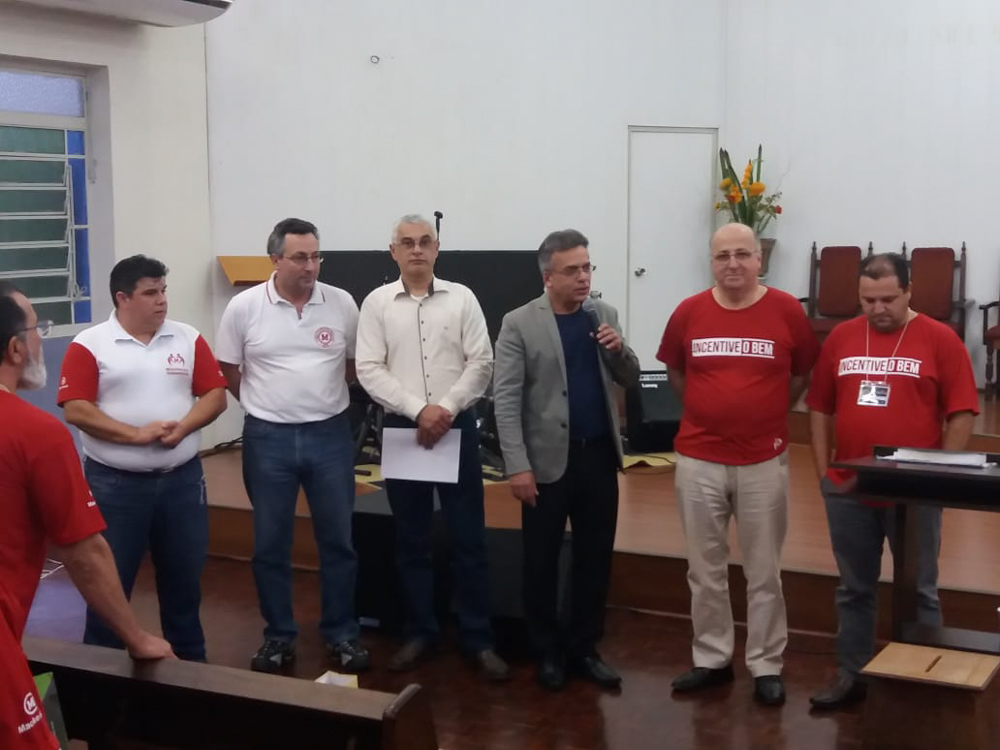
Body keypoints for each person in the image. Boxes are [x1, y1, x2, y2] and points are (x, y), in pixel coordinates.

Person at [0, 282, 174, 750]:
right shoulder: (36, 433)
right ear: (16, 348)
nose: (40, 341)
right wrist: (136, 638)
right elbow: (85, 553)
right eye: (37, 330)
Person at [657, 222, 819, 706]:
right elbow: (676, 372)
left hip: (763, 461)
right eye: (723, 255)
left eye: (742, 254)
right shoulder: (689, 311)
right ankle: (712, 658)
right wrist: (709, 412)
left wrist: (764, 415)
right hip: (698, 460)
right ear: (711, 261)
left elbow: (801, 374)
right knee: (704, 569)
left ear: (759, 260)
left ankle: (766, 664)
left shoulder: (787, 311)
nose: (733, 264)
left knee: (764, 571)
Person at [807, 253, 978, 710]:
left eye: (888, 299)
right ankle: (853, 675)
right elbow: (819, 406)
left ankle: (924, 683)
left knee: (919, 590)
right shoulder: (842, 337)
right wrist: (825, 473)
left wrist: (939, 475)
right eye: (868, 300)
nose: (878, 309)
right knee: (854, 588)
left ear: (909, 292)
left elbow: (962, 411)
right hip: (850, 488)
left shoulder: (940, 338)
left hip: (915, 491)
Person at [355, 213, 508, 682]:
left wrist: (444, 409)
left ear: (437, 248)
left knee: (469, 540)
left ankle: (478, 638)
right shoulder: (377, 304)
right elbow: (368, 367)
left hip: (455, 427)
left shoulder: (462, 298)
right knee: (412, 541)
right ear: (394, 252)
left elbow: (481, 361)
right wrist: (419, 410)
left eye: (425, 241)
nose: (417, 249)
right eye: (407, 243)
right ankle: (421, 632)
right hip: (404, 429)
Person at [216, 218, 371, 674]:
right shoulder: (244, 307)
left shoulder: (341, 303)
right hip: (268, 439)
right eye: (300, 257)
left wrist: (316, 398)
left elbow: (352, 365)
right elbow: (229, 369)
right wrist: (264, 404)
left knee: (338, 541)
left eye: (316, 256)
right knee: (270, 543)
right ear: (275, 260)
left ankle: (342, 634)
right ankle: (278, 636)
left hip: (330, 436)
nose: (311, 266)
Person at [58, 255, 227, 662]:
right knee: (109, 588)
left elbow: (215, 395)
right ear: (123, 298)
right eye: (151, 293)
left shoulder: (187, 338)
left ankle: (191, 677)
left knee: (184, 586)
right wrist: (135, 435)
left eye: (163, 291)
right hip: (115, 487)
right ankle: (100, 683)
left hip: (182, 483)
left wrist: (184, 427)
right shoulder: (90, 344)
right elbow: (76, 408)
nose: (162, 300)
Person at [493, 228, 639, 691]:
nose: (583, 278)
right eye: (572, 270)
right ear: (548, 277)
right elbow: (506, 400)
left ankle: (584, 648)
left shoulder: (603, 314)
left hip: (598, 457)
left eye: (587, 267)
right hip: (545, 464)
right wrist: (517, 465)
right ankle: (546, 650)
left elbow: (630, 376)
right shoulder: (519, 323)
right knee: (541, 561)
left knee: (595, 559)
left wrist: (618, 349)